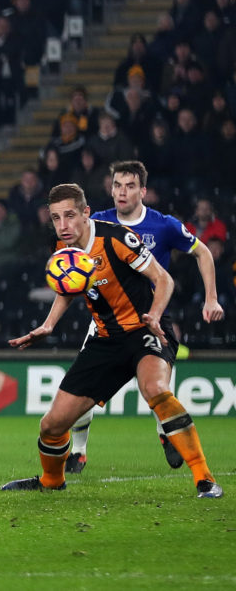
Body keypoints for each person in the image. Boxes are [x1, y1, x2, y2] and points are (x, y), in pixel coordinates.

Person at [3, 183, 222, 499]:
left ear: (85, 212)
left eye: (69, 216)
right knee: (51, 425)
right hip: (106, 339)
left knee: (156, 390)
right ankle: (52, 481)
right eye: (55, 218)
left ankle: (205, 479)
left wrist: (156, 314)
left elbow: (163, 278)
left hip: (147, 330)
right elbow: (69, 287)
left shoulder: (116, 238)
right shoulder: (63, 250)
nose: (63, 226)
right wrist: (48, 325)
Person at [63, 161, 226, 473]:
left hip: (147, 316)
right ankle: (79, 452)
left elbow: (203, 252)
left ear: (143, 191)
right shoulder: (96, 221)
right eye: (117, 186)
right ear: (110, 189)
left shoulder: (163, 225)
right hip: (106, 319)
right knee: (81, 388)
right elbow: (72, 259)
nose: (122, 192)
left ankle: (166, 433)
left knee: (155, 385)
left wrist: (211, 298)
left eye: (130, 186)